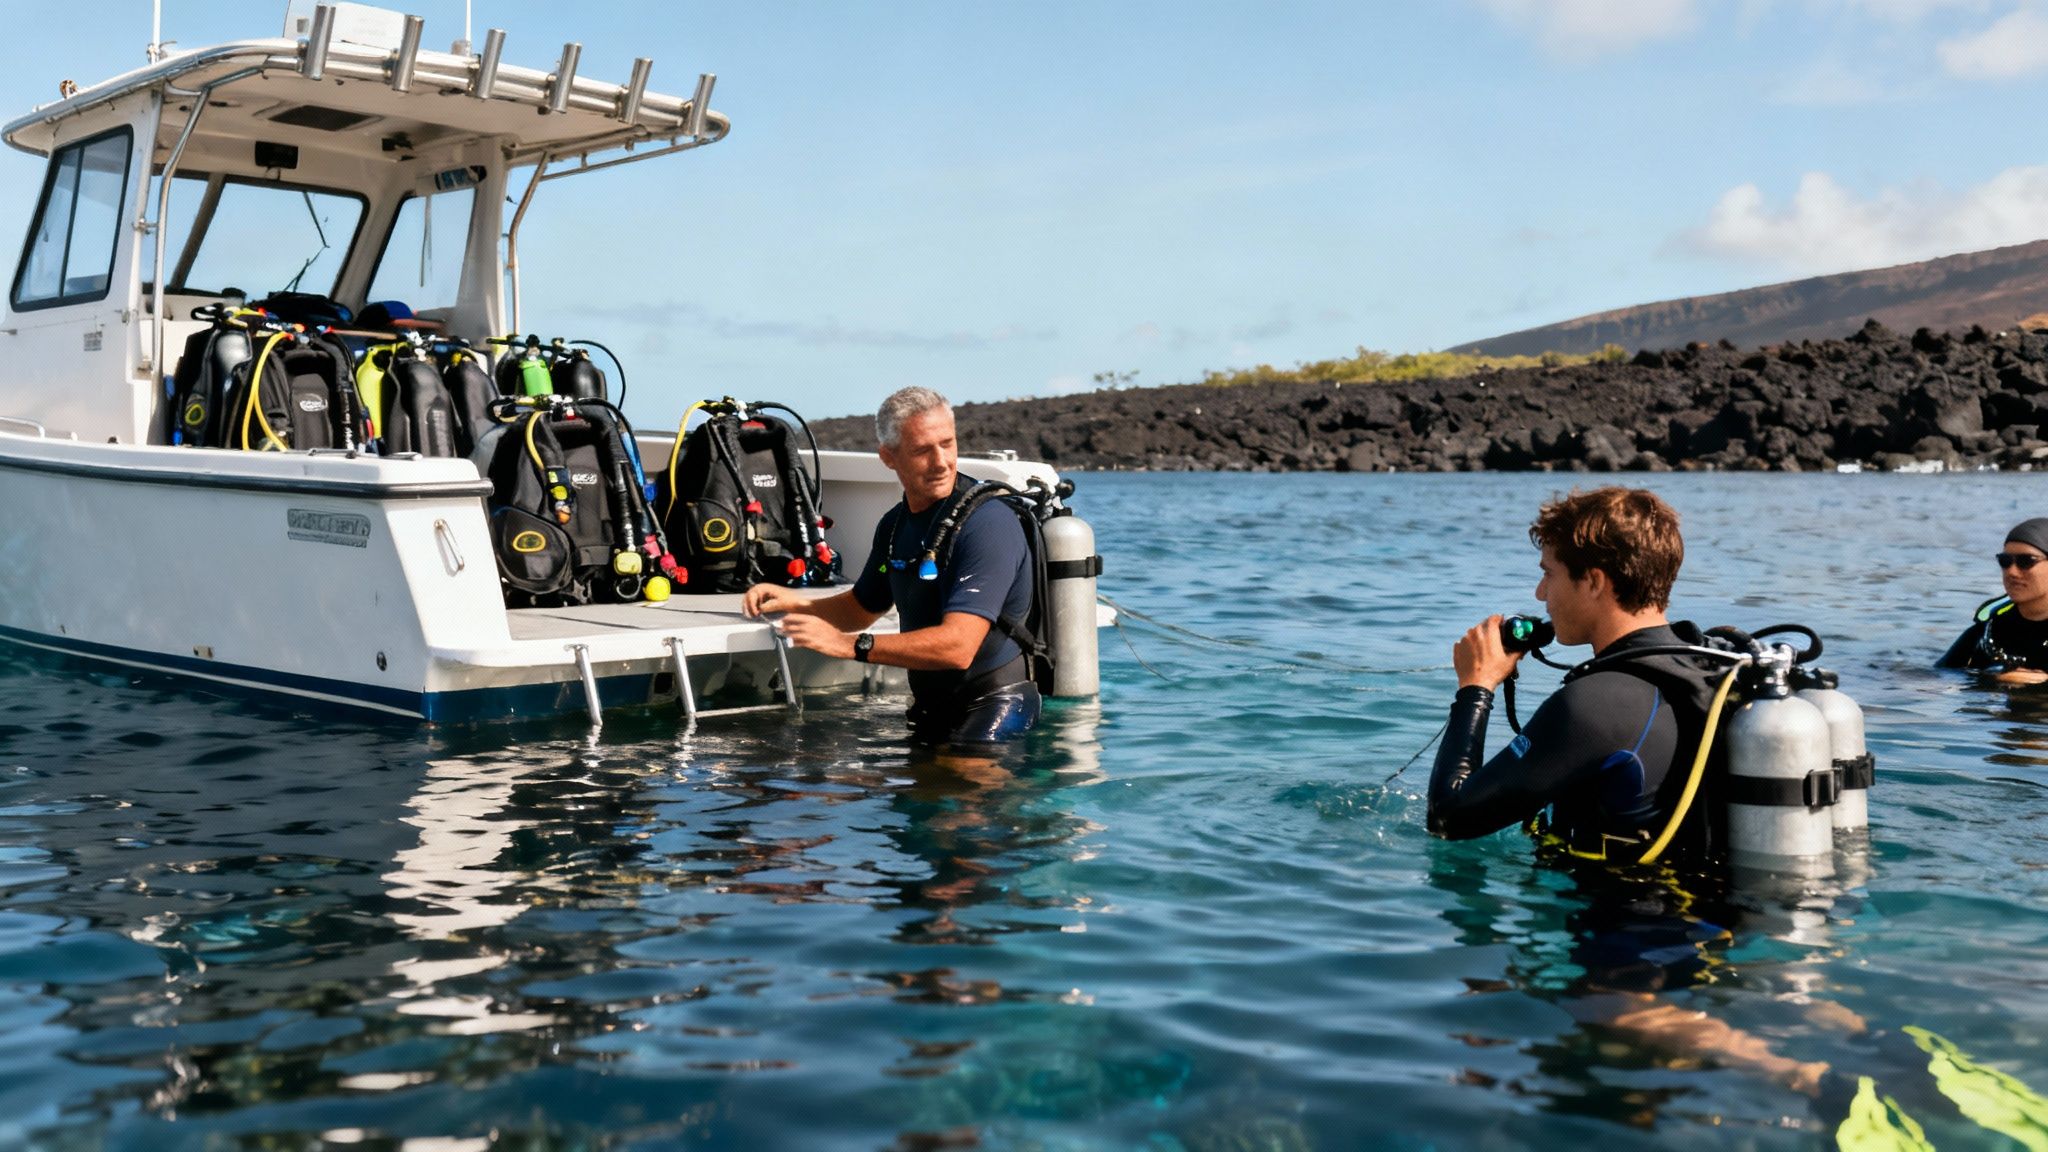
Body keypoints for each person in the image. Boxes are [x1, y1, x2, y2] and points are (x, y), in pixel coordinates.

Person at [1427, 486, 1727, 862]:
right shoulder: (1702, 665)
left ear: (1595, 582)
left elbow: (1447, 819)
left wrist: (1476, 686)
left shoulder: (1597, 704)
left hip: (1627, 917)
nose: (1540, 594)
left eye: (1549, 574)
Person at [742, 386, 1041, 745]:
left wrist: (850, 646)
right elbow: (861, 607)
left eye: (947, 443)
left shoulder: (988, 524)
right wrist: (794, 601)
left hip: (994, 704)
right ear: (889, 457)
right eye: (922, 451)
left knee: (957, 790)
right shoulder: (895, 525)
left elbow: (958, 647)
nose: (941, 461)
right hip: (931, 709)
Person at [1938, 518, 2048, 684]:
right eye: (2005, 561)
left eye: (2026, 561)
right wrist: (1994, 677)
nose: (2012, 571)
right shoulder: (1988, 633)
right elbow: (1939, 678)